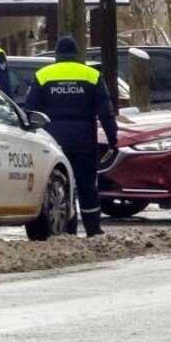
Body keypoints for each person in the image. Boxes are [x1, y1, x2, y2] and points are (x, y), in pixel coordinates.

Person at [24, 35, 119, 237]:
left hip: (54, 140)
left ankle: (68, 229)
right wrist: (113, 139)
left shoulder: (43, 75)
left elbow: (30, 110)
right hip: (84, 139)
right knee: (87, 185)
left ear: (57, 55)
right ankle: (93, 229)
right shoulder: (91, 75)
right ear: (76, 55)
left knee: (62, 184)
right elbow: (106, 113)